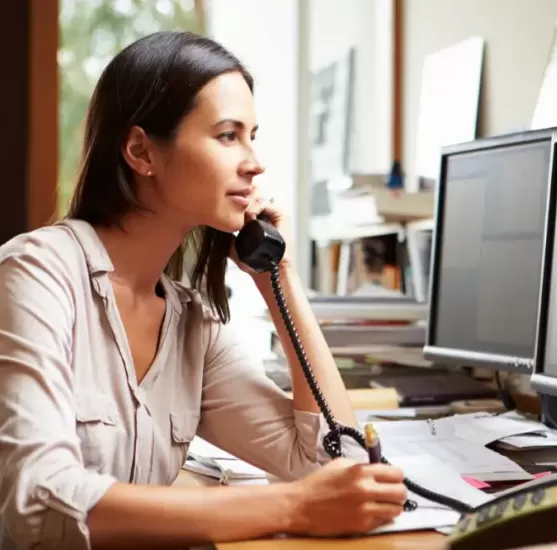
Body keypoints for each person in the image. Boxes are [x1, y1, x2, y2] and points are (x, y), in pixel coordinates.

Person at [0, 31, 407, 550]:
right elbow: (39, 503)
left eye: (252, 135)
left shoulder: (193, 326)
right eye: (227, 135)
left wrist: (280, 281)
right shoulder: (36, 274)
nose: (254, 162)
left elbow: (334, 462)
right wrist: (293, 506)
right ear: (141, 151)